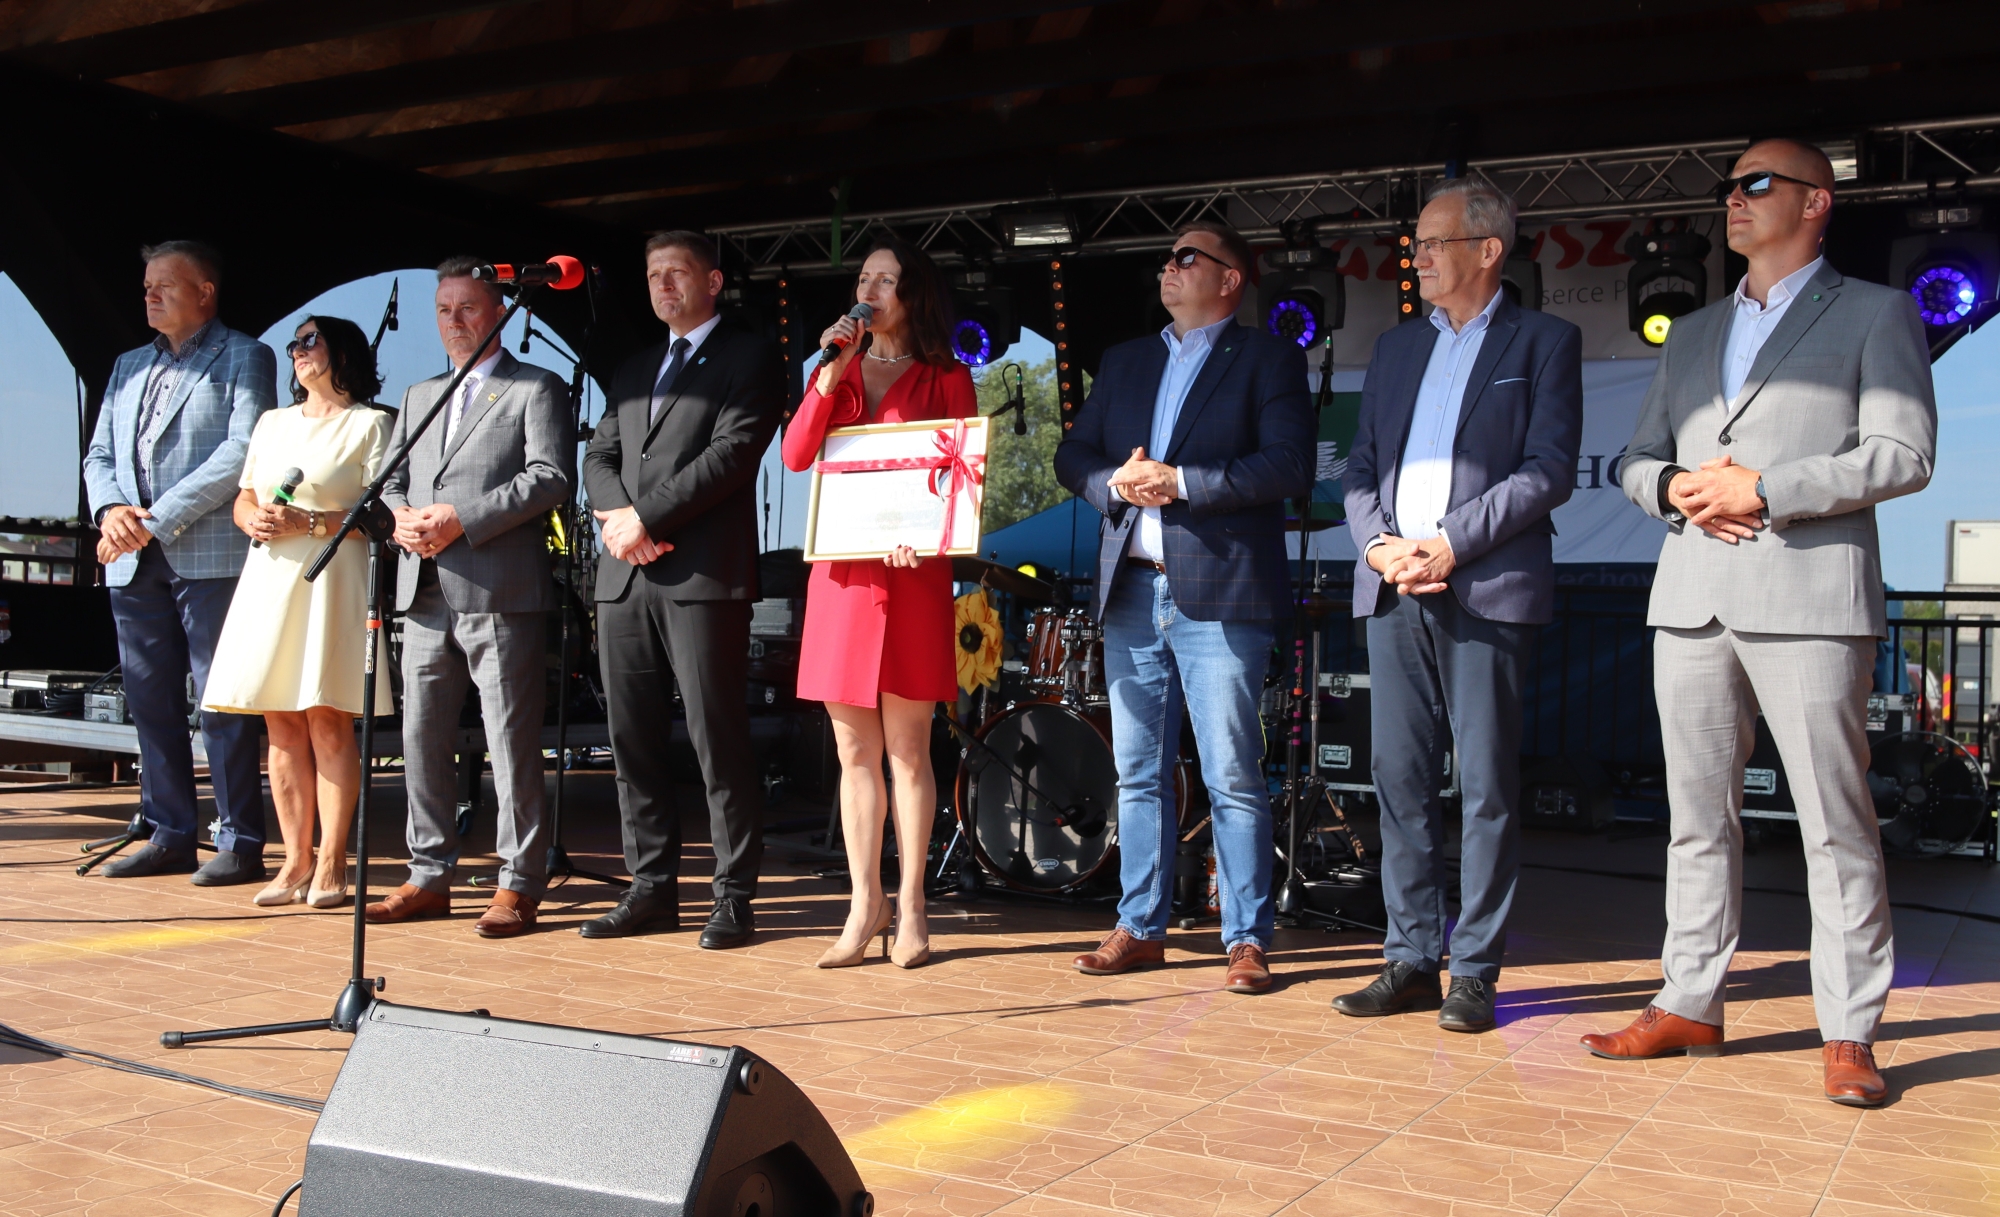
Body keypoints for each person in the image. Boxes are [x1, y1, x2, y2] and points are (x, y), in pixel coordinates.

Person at [1589, 139, 1935, 1107]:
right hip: (1692, 595)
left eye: (1754, 183)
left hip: (1811, 596)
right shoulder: (1693, 330)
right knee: (1696, 821)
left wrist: (1768, 487)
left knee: (1835, 824)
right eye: (1728, 187)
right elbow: (1635, 457)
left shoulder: (1875, 311)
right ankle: (1688, 999)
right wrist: (1669, 486)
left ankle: (1848, 1029)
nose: (1732, 199)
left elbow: (1904, 453)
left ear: (1815, 202)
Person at [1335, 180, 1584, 1033]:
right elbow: (1360, 467)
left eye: (1434, 243)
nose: (1419, 257)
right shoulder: (1397, 346)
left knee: (1484, 784)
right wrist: (1380, 546)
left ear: (1488, 250)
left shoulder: (1545, 340)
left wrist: (1448, 542)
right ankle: (1409, 957)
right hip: (1393, 583)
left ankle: (1473, 967)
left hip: (1484, 583)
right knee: (1398, 777)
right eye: (1416, 244)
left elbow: (1548, 469)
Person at [1053, 221, 1314, 994]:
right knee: (1138, 772)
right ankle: (1140, 925)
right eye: (1167, 257)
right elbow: (1073, 454)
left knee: (1232, 771)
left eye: (1187, 257)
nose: (1168, 266)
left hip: (1222, 590)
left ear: (1230, 279)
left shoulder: (1267, 356)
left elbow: (1289, 464)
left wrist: (1183, 482)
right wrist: (1112, 482)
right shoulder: (1126, 360)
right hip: (1132, 589)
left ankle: (1246, 936)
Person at [580, 231, 782, 950]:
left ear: (713, 281)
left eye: (677, 272)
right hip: (625, 573)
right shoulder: (635, 367)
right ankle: (650, 888)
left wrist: (647, 519)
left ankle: (734, 894)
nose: (663, 285)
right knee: (631, 741)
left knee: (715, 738)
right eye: (653, 274)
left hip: (702, 575)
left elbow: (732, 454)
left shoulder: (750, 356)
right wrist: (621, 522)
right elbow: (599, 454)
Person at [782, 237, 976, 970]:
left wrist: (924, 537)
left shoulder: (946, 374)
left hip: (912, 576)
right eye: (864, 278)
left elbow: (963, 479)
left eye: (886, 280)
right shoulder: (836, 369)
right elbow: (796, 455)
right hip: (844, 577)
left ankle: (915, 902)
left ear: (914, 293)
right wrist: (831, 373)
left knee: (907, 749)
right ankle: (865, 903)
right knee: (852, 751)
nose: (869, 290)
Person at [365, 257, 573, 939]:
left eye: (468, 308)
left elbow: (550, 476)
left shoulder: (533, 386)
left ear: (499, 312)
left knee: (509, 739)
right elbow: (389, 480)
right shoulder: (420, 395)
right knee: (421, 737)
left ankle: (519, 882)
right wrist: (398, 517)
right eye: (444, 310)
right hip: (424, 590)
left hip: (498, 588)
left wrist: (464, 518)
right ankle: (428, 874)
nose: (454, 322)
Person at [82, 240, 274, 885]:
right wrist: (112, 510)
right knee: (149, 701)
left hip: (207, 552)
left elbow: (242, 450)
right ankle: (169, 833)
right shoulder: (127, 364)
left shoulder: (245, 355)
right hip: (132, 558)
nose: (150, 294)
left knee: (221, 701)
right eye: (146, 286)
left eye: (164, 284)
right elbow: (99, 454)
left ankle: (240, 840)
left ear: (204, 293)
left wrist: (153, 519)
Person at [202, 317, 394, 909]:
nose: (297, 351)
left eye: (310, 341)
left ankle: (333, 861)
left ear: (343, 352)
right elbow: (245, 497)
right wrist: (252, 518)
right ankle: (295, 861)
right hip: (269, 578)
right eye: (294, 344)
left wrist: (308, 523)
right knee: (280, 720)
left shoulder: (370, 424)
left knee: (327, 717)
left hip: (332, 578)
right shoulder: (272, 422)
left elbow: (380, 516)